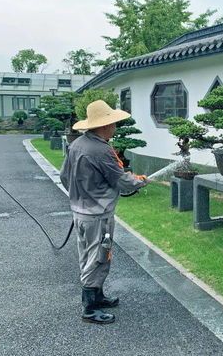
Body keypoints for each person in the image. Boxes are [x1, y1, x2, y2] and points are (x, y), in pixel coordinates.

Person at [60, 100, 148, 324]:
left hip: (80, 214)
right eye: (112, 123)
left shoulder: (77, 144)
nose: (115, 127)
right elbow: (123, 182)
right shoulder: (101, 150)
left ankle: (98, 296)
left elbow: (64, 177)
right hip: (97, 216)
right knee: (99, 257)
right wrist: (139, 182)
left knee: (88, 255)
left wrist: (80, 197)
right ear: (103, 125)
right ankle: (89, 309)